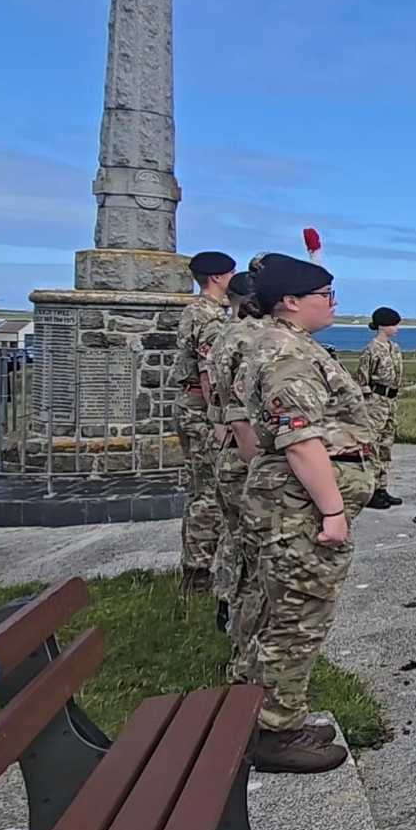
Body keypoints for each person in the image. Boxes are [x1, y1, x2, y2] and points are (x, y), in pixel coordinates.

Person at [235, 257, 379, 773]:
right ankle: (277, 733)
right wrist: (332, 511)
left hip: (290, 505)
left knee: (276, 610)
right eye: (325, 295)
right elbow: (300, 441)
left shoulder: (283, 343)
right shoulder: (287, 354)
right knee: (298, 616)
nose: (333, 304)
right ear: (291, 301)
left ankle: (267, 713)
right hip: (300, 511)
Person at [174, 251, 239, 596]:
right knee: (208, 490)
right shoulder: (211, 318)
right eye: (230, 274)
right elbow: (209, 372)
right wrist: (221, 416)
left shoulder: (194, 310)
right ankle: (198, 572)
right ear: (216, 278)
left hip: (190, 403)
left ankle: (196, 565)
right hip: (202, 407)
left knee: (200, 486)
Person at [205, 271, 261, 632]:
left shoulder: (226, 332)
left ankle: (225, 599)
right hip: (246, 443)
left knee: (233, 531)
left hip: (226, 442)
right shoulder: (253, 337)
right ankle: (243, 612)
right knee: (250, 535)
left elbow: (213, 387)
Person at [355, 308, 405, 509]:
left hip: (391, 401)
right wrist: (368, 403)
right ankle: (371, 490)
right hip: (375, 401)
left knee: (386, 444)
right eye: (394, 324)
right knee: (372, 445)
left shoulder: (395, 348)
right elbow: (362, 378)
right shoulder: (371, 350)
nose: (397, 328)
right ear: (383, 326)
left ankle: (382, 487)